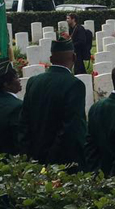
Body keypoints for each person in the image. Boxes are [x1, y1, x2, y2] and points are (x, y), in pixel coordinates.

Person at [20, 37, 87, 168]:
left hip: (35, 156)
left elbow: (24, 121)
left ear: (50, 59)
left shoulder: (34, 81)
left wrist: (28, 153)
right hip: (62, 161)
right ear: (74, 57)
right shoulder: (74, 85)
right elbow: (71, 127)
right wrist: (52, 159)